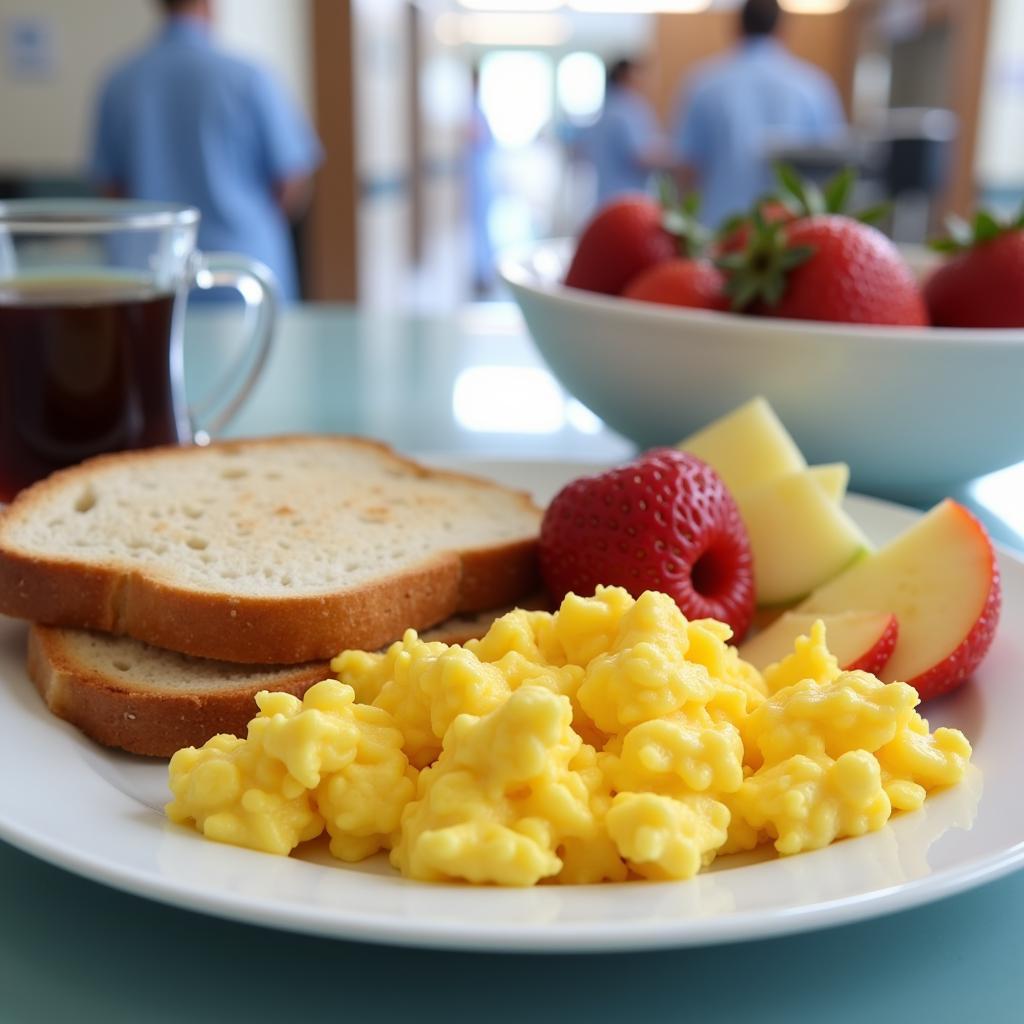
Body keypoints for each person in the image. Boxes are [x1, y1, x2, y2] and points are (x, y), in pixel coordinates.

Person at [90, 0, 322, 301]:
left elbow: (112, 190)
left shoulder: (119, 82)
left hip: (152, 278)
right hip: (241, 274)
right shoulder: (249, 78)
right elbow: (291, 181)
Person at [671, 0, 845, 228]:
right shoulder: (813, 87)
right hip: (792, 237)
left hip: (718, 233)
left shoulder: (703, 85)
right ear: (782, 29)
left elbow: (686, 170)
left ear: (737, 27)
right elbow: (831, 170)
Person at [587, 58, 668, 208]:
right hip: (628, 201)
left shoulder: (608, 109)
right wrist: (676, 158)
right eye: (640, 73)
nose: (645, 80)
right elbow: (640, 156)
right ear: (625, 76)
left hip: (607, 198)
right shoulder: (627, 109)